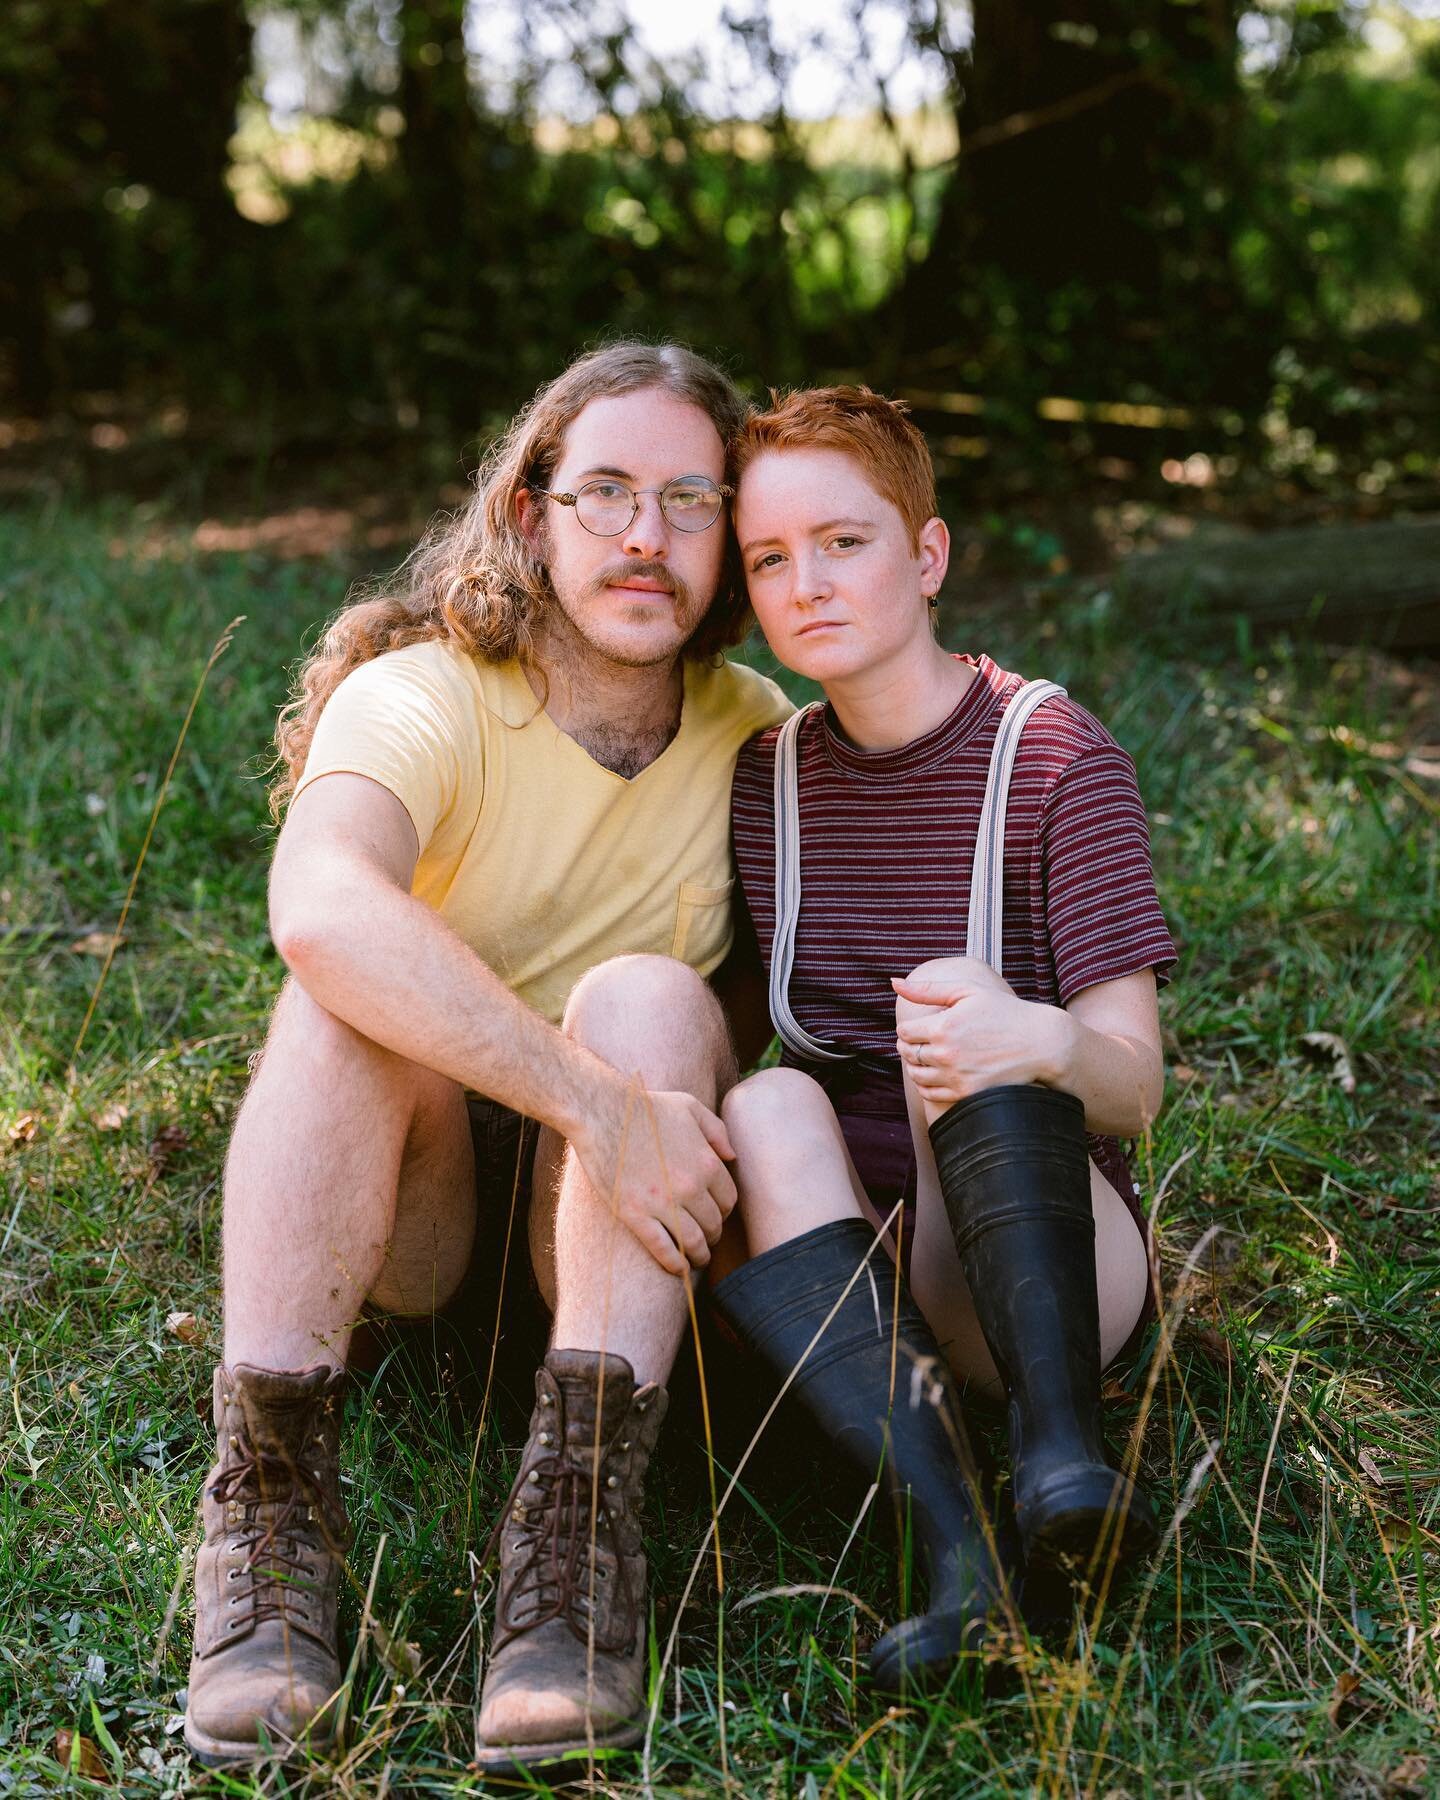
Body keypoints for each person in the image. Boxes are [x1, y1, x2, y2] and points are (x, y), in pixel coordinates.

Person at [183, 342, 791, 1772]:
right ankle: (268, 1512)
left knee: (646, 997)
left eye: (692, 500)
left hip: (627, 1263)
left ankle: (574, 1551)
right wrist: (591, 1104)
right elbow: (319, 902)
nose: (648, 536)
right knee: (340, 994)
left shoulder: (761, 734)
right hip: (410, 1234)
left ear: (731, 534)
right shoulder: (425, 697)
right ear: (530, 514)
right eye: (608, 494)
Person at [712, 387, 1177, 1691]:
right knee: (764, 1106)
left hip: (1044, 1269)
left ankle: (1062, 1466)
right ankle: (965, 1563)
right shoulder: (771, 780)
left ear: (927, 558)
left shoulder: (1053, 757)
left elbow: (1133, 1087)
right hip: (859, 1294)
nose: (806, 584)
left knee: (957, 1009)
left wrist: (1028, 1034)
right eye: (768, 558)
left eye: (845, 542)